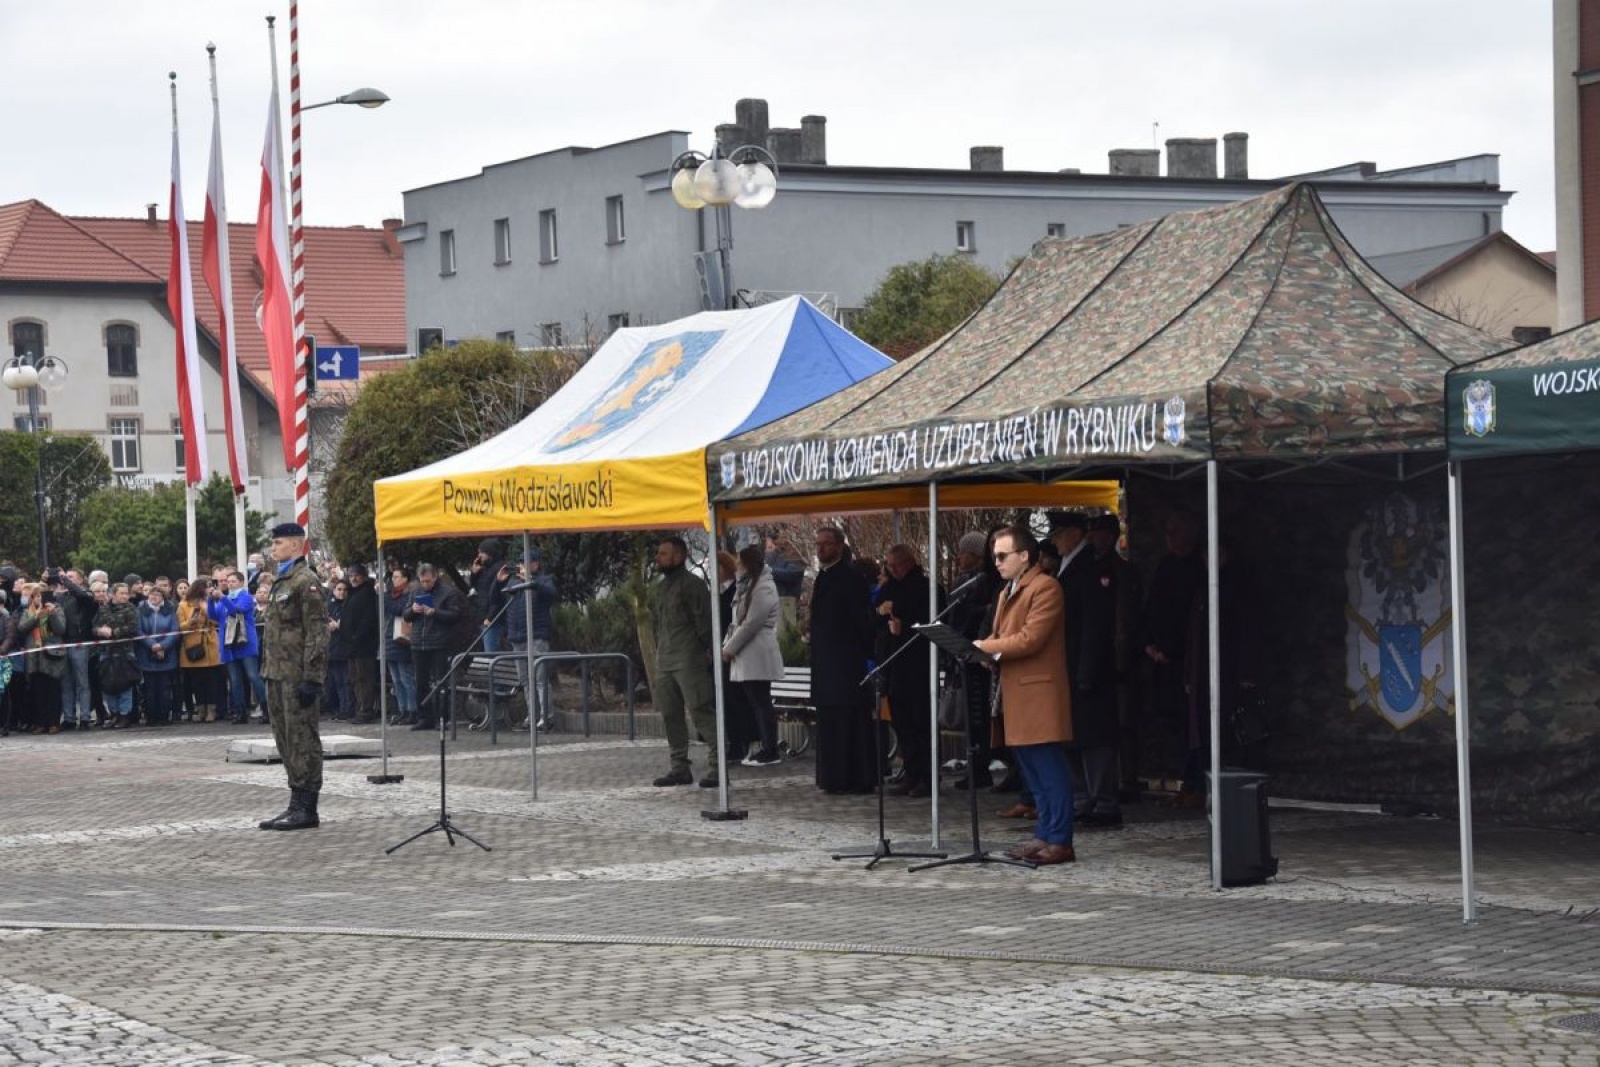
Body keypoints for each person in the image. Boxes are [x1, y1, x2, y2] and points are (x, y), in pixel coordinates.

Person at [973, 525, 1077, 865]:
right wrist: (985, 651)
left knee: (1048, 767)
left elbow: (1031, 638)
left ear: (1024, 556)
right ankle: (1044, 834)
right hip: (1015, 692)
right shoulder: (1008, 590)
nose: (997, 562)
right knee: (1031, 768)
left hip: (1038, 692)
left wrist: (987, 648)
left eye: (1003, 556)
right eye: (995, 556)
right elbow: (1001, 634)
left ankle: (1060, 840)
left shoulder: (1045, 587)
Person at [258, 522, 330, 831]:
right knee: (285, 739)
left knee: (303, 739)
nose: (273, 548)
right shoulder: (282, 580)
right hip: (277, 673)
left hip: (297, 674)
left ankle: (307, 807)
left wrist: (312, 677)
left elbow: (317, 631)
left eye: (279, 543)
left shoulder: (306, 581)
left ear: (296, 545)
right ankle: (295, 802)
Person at [1139, 509, 1205, 803]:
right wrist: (1149, 644)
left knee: (1196, 724)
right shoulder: (1165, 566)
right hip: (1162, 659)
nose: (1169, 537)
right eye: (1167, 531)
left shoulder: (1200, 567)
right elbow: (1152, 608)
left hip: (1190, 660)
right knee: (1174, 722)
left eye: (1175, 531)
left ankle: (1196, 783)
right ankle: (1185, 780)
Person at [809, 527, 879, 795]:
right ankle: (833, 777)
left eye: (826, 544)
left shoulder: (851, 578)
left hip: (845, 663)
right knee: (830, 722)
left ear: (839, 546)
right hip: (826, 663)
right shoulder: (823, 577)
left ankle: (854, 777)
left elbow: (861, 621)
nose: (820, 549)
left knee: (850, 722)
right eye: (818, 544)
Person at [649, 536, 720, 788]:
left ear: (679, 556)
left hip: (689, 658)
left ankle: (718, 765)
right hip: (666, 659)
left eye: (663, 554)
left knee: (701, 710)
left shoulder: (693, 585)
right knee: (670, 714)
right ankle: (679, 767)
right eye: (658, 553)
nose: (658, 558)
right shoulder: (662, 587)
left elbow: (705, 623)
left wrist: (707, 650)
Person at [877, 543, 937, 797]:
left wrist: (904, 626)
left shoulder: (926, 588)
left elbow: (931, 622)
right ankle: (911, 772)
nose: (893, 570)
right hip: (893, 663)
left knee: (920, 722)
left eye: (897, 565)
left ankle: (927, 776)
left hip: (917, 664)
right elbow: (875, 617)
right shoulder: (888, 588)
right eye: (889, 565)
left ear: (910, 563)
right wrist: (881, 613)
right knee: (902, 724)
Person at [948, 531, 1001, 789]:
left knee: (980, 716)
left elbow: (986, 612)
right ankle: (975, 766)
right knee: (971, 716)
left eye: (964, 553)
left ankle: (981, 767)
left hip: (979, 655)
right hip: (963, 653)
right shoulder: (964, 582)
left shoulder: (985, 581)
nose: (959, 558)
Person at [724, 544, 785, 767]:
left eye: (740, 562)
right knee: (755, 701)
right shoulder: (748, 585)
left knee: (761, 701)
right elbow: (738, 621)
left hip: (757, 652)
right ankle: (765, 745)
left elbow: (751, 623)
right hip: (748, 652)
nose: (737, 566)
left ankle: (770, 748)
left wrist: (729, 649)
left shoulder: (763, 586)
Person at [403, 563, 463, 731]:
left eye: (428, 581)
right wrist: (413, 610)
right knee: (420, 682)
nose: (425, 584)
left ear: (435, 577)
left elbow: (454, 615)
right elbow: (406, 615)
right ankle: (425, 717)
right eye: (422, 581)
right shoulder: (415, 591)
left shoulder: (448, 592)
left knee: (440, 682)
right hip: (418, 642)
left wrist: (435, 612)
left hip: (439, 643)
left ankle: (442, 718)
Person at [503, 550, 557, 729]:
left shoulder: (543, 580)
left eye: (525, 563)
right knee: (525, 680)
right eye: (520, 563)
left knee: (540, 679)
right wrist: (498, 583)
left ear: (535, 564)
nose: (521, 566)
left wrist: (531, 581)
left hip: (537, 635)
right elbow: (499, 599)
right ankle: (532, 716)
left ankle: (546, 717)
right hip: (517, 636)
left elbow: (551, 595)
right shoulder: (513, 583)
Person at [218, 570, 267, 725]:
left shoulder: (246, 597)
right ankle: (239, 712)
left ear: (241, 582)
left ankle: (267, 709)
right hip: (229, 643)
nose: (230, 584)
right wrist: (212, 600)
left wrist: (222, 598)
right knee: (235, 679)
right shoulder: (226, 598)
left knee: (253, 676)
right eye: (228, 582)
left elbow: (236, 611)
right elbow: (214, 615)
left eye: (233, 581)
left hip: (245, 643)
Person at [17, 585, 66, 734]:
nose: (39, 599)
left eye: (41, 596)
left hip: (52, 656)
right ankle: (40, 723)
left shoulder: (57, 609)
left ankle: (54, 723)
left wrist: (52, 614)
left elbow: (61, 629)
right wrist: (35, 617)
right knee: (37, 691)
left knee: (52, 690)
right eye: (36, 596)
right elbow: (21, 628)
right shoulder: (27, 612)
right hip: (34, 657)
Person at [92, 583, 141, 728]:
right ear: (113, 594)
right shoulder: (103, 609)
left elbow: (133, 628)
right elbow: (94, 627)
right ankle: (114, 714)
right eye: (122, 593)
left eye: (126, 593)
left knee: (125, 685)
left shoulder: (131, 609)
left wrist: (114, 632)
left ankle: (125, 715)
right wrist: (100, 631)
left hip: (124, 652)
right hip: (106, 652)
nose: (125, 596)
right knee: (108, 685)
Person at [54, 568, 97, 730]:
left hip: (80, 643)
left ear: (80, 580)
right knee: (66, 683)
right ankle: (69, 718)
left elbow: (80, 595)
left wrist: (65, 580)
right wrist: (45, 580)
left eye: (71, 577)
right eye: (65, 577)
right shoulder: (61, 597)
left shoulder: (86, 595)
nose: (66, 579)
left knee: (82, 683)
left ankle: (85, 717)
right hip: (64, 644)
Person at [178, 579, 222, 723]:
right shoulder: (183, 605)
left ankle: (212, 710)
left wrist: (205, 608)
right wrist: (190, 622)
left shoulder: (210, 603)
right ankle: (201, 709)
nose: (210, 590)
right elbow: (179, 626)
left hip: (209, 644)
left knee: (211, 680)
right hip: (193, 645)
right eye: (207, 587)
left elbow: (217, 621)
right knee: (197, 681)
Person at [341, 564, 380, 725]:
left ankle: (366, 710)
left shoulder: (367, 593)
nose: (354, 578)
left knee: (364, 678)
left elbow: (368, 619)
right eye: (351, 576)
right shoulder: (352, 593)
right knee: (355, 678)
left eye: (357, 575)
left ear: (363, 576)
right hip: (351, 645)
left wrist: (357, 637)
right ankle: (360, 708)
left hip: (363, 645)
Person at [136, 586, 180, 726]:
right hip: (146, 654)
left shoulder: (170, 610)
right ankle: (151, 717)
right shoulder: (140, 610)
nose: (154, 597)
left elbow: (175, 631)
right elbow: (138, 631)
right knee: (149, 689)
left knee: (165, 688)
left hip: (166, 655)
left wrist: (163, 646)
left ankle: (164, 716)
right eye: (151, 594)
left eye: (157, 595)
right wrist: (153, 645)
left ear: (163, 597)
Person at [383, 566, 418, 725]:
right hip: (390, 639)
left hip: (402, 639)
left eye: (397, 577)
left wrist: (384, 595)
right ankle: (402, 709)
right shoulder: (392, 594)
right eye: (393, 577)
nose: (393, 580)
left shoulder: (408, 594)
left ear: (405, 579)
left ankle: (412, 710)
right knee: (396, 680)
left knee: (406, 678)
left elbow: (398, 610)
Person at [469, 538, 508, 653]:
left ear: (489, 553)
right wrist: (474, 574)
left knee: (491, 652)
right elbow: (475, 588)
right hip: (482, 615)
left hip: (493, 619)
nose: (479, 556)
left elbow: (499, 596)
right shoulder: (484, 569)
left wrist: (490, 617)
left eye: (482, 552)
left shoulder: (500, 569)